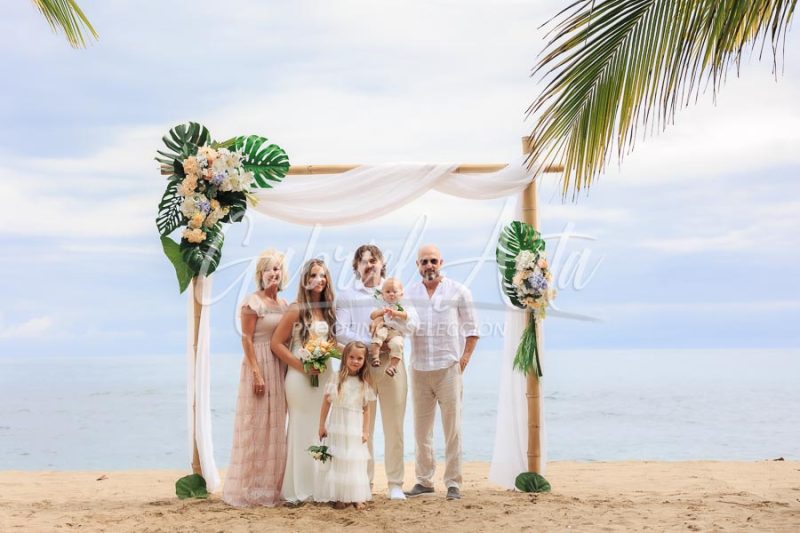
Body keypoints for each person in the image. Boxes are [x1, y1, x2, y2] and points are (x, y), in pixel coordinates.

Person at [336, 245, 418, 501]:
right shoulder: (347, 295)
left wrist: (392, 324)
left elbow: (413, 325)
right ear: (356, 266)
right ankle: (365, 483)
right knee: (364, 428)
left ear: (383, 263)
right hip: (363, 365)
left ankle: (395, 483)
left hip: (391, 363)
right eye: (363, 261)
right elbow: (340, 331)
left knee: (394, 426)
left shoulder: (395, 290)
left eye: (374, 260)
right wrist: (367, 343)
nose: (369, 265)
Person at [404, 244, 479, 501]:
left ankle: (453, 483)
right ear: (417, 265)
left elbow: (472, 329)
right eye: (424, 261)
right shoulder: (409, 292)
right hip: (419, 368)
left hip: (448, 369)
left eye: (433, 261)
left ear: (441, 262)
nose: (429, 266)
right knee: (421, 429)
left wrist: (464, 359)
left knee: (452, 428)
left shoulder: (458, 291)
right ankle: (424, 480)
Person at [223, 249, 290, 507]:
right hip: (259, 363)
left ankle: (270, 488)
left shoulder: (284, 305)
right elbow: (246, 338)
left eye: (278, 269)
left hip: (278, 366)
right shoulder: (253, 302)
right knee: (255, 426)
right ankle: (248, 488)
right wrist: (255, 372)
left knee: (274, 427)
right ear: (260, 274)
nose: (274, 273)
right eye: (269, 269)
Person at [271, 258, 338, 504]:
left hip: (326, 376)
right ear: (305, 280)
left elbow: (332, 345)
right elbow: (276, 344)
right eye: (313, 276)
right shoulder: (297, 308)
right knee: (301, 428)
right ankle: (298, 489)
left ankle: (322, 487)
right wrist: (303, 366)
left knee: (325, 428)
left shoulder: (329, 309)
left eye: (322, 275)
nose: (318, 280)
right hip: (300, 378)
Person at [315, 341, 376, 509]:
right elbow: (326, 403)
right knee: (339, 459)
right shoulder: (336, 377)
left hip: (355, 427)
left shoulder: (364, 382)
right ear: (345, 357)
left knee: (355, 460)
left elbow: (366, 410)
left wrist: (365, 432)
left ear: (364, 361)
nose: (355, 361)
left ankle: (356, 495)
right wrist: (322, 425)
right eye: (352, 357)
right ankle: (340, 495)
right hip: (338, 425)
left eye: (359, 358)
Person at [368, 277, 410, 377]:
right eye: (388, 291)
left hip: (396, 332)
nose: (391, 294)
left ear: (401, 294)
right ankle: (375, 357)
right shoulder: (381, 305)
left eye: (395, 291)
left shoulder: (402, 305)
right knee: (377, 335)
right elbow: (372, 315)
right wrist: (382, 311)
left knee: (398, 344)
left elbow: (406, 316)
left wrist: (396, 313)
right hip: (384, 327)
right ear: (382, 295)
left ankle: (393, 366)